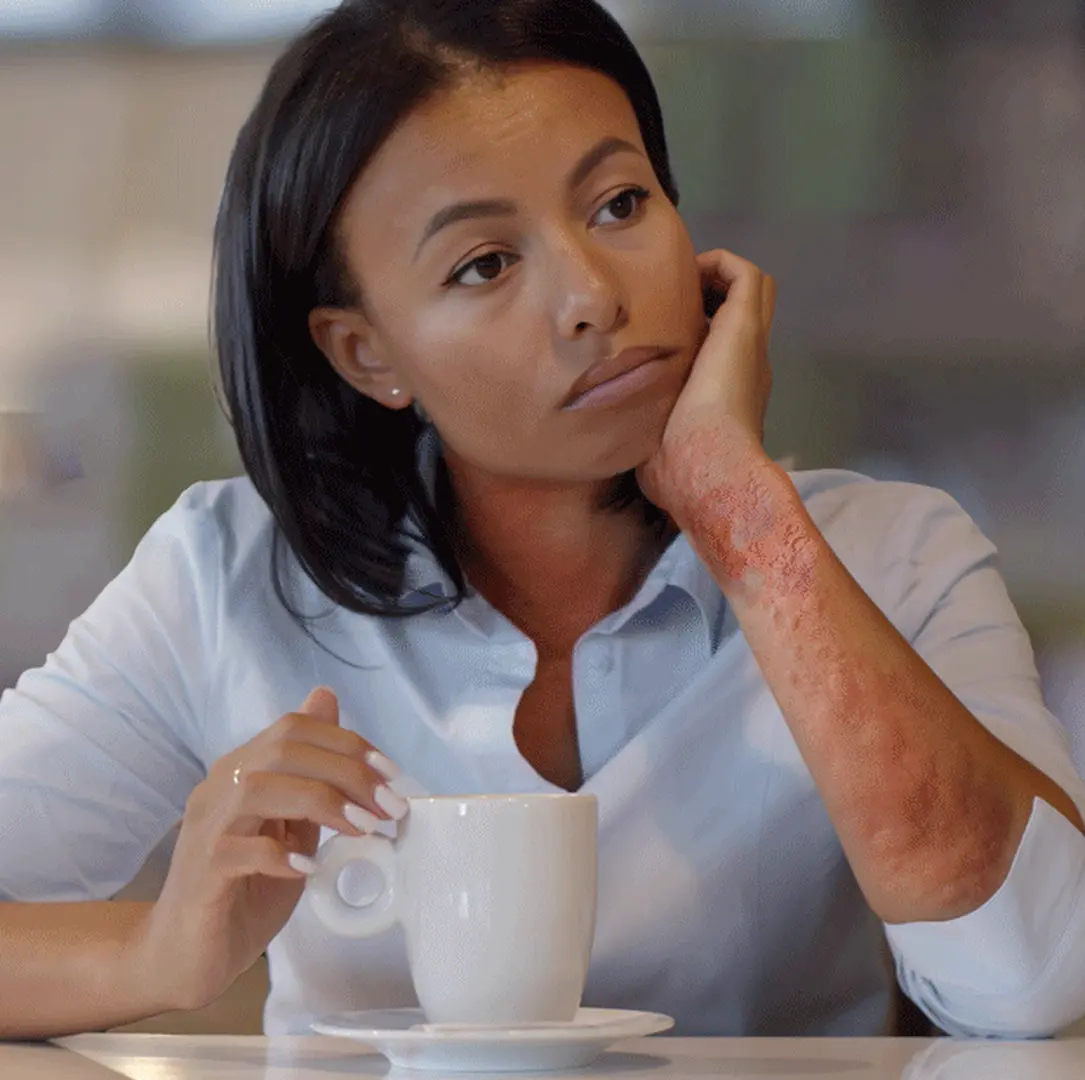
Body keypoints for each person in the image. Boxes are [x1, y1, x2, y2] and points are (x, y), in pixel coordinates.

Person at [2, 0, 1084, 1042]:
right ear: (365, 353)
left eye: (618, 205)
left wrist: (741, 517)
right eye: (483, 264)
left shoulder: (891, 553)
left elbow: (1032, 977)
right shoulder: (224, 579)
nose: (590, 297)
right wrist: (155, 956)